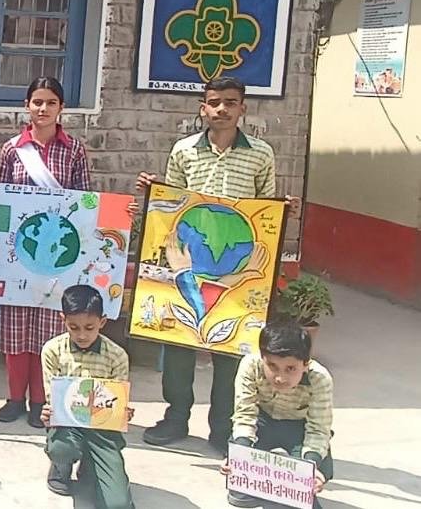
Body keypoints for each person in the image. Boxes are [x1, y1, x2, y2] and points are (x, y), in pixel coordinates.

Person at [136, 76, 297, 454]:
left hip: (235, 263)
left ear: (243, 108)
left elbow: (264, 211)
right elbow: (173, 206)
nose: (221, 109)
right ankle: (176, 416)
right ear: (202, 108)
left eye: (230, 102)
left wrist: (282, 212)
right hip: (191, 260)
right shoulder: (183, 151)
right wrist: (153, 193)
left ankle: (223, 426)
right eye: (214, 102)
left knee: (231, 349)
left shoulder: (261, 154)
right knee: (178, 343)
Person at [0, 77, 91, 427]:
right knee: (16, 329)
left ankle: (41, 400)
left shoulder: (75, 150)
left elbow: (86, 202)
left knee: (48, 329)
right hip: (20, 254)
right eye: (37, 101)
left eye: (51, 102)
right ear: (27, 105)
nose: (43, 108)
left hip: (58, 256)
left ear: (61, 107)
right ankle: (14, 398)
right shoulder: (12, 150)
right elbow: (1, 200)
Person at [39, 285, 134, 509]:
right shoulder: (52, 350)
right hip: (67, 425)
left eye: (89, 327)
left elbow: (116, 402)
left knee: (118, 505)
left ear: (102, 322)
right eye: (74, 327)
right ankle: (61, 467)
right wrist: (48, 414)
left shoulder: (117, 355)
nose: (82, 335)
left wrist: (122, 413)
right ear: (63, 320)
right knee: (62, 448)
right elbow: (53, 400)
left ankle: (91, 466)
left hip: (102, 431)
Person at [222, 322, 333, 508]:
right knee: (241, 490)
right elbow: (245, 415)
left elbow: (318, 429)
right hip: (262, 422)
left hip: (298, 427)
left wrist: (310, 465)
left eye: (290, 369)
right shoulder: (250, 365)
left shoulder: (320, 378)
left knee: (306, 481)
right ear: (262, 358)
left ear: (305, 364)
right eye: (272, 366)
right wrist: (239, 454)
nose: (280, 378)